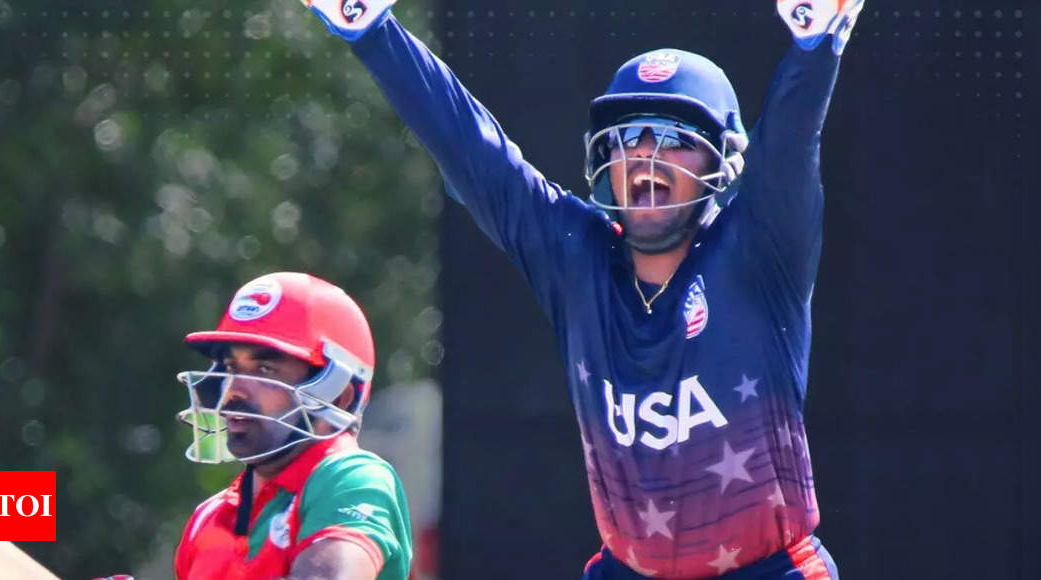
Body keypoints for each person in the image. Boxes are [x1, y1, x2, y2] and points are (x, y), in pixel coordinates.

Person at [300, 0, 864, 577]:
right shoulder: (577, 260)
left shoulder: (760, 251)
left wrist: (816, 46)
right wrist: (371, 27)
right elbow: (475, 153)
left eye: (672, 136)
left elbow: (791, 147)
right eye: (627, 136)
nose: (643, 152)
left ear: (725, 163)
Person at [172, 272, 413, 579]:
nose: (234, 391)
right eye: (232, 368)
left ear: (338, 396)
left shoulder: (354, 479)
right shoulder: (209, 516)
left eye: (265, 370)